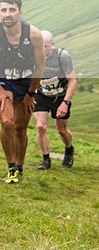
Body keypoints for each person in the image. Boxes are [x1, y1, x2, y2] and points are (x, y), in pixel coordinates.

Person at [0, 0, 45, 184]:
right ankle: (11, 167)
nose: (8, 14)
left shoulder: (34, 35)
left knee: (21, 128)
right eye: (4, 10)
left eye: (12, 10)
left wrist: (31, 94)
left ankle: (20, 166)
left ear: (20, 12)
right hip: (2, 80)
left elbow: (39, 67)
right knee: (7, 122)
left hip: (26, 82)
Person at [33, 30, 77, 169]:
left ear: (52, 45)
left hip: (60, 96)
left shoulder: (62, 56)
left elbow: (73, 80)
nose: (41, 49)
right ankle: (46, 159)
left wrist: (65, 102)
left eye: (44, 46)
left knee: (61, 130)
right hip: (41, 94)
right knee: (41, 126)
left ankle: (69, 149)